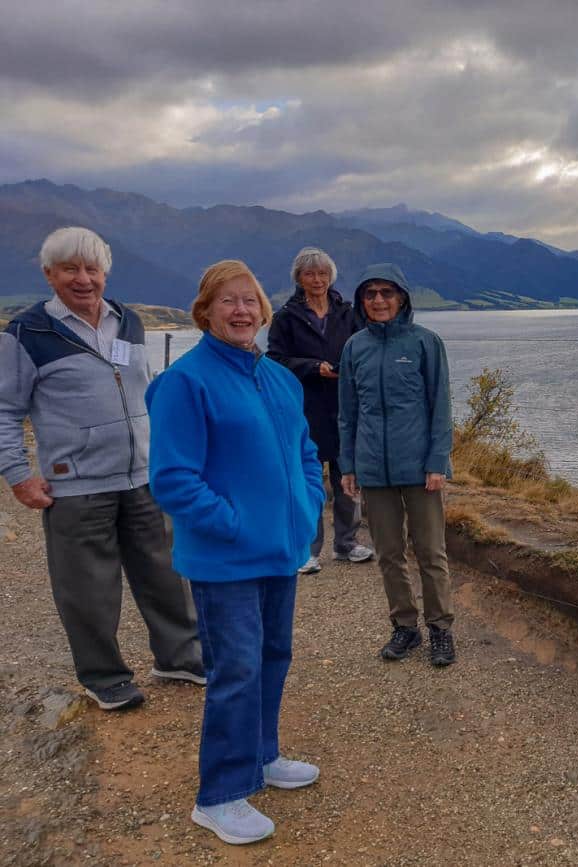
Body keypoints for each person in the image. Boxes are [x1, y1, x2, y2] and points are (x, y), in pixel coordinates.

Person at [146, 260, 324, 846]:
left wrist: (307, 505)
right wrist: (237, 525)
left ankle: (262, 756)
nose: (242, 311)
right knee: (236, 668)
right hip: (225, 558)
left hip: (280, 550)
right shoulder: (186, 381)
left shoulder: (278, 378)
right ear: (205, 312)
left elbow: (303, 449)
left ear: (264, 312)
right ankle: (219, 793)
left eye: (250, 301)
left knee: (274, 654)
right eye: (228, 301)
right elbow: (173, 479)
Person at [0, 226, 203, 712]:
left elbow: (143, 391)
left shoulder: (128, 322)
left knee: (167, 574)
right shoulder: (28, 332)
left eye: (92, 268)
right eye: (70, 268)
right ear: (50, 274)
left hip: (144, 477)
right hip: (77, 485)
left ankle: (179, 656)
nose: (83, 279)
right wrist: (18, 474)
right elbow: (5, 409)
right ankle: (104, 676)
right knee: (88, 588)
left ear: (105, 272)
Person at [337, 264, 456, 666]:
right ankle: (405, 627)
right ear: (362, 301)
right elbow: (347, 413)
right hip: (373, 468)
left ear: (402, 297)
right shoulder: (355, 347)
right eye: (370, 294)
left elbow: (441, 407)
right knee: (388, 554)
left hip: (421, 468)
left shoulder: (426, 343)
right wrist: (348, 464)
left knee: (430, 552)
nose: (378, 300)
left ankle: (441, 628)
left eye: (387, 293)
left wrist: (438, 461)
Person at [267, 247, 373, 574]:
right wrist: (313, 367)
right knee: (309, 480)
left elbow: (362, 349)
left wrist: (344, 367)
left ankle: (347, 544)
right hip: (306, 409)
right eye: (310, 274)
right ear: (299, 278)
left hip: (343, 406)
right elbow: (276, 359)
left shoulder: (347, 312)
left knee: (347, 478)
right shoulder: (286, 317)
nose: (318, 280)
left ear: (331, 276)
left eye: (323, 273)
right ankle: (309, 550)